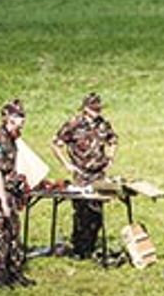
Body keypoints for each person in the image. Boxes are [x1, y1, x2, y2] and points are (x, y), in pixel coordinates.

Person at [51, 92, 118, 260]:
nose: (97, 112)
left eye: (98, 109)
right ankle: (79, 249)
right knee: (82, 212)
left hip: (99, 175)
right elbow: (56, 144)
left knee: (97, 212)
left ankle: (91, 245)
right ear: (86, 109)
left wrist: (110, 157)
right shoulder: (74, 124)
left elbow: (113, 140)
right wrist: (66, 164)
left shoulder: (103, 124)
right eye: (93, 109)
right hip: (81, 175)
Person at [0, 99, 33, 288]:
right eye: (18, 117)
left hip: (11, 194)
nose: (21, 121)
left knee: (13, 233)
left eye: (22, 117)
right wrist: (3, 202)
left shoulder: (12, 139)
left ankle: (14, 272)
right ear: (7, 118)